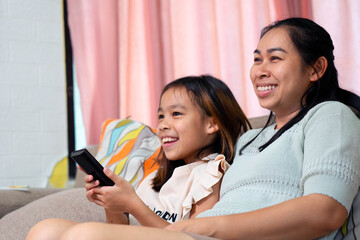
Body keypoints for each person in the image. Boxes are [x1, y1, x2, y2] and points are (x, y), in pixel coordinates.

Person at [31, 17, 360, 240]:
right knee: (45, 230)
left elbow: (326, 209)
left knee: (85, 236)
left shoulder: (330, 116)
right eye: (257, 59)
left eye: (275, 59)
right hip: (200, 234)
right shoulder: (247, 140)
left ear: (316, 68)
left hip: (215, 235)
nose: (260, 70)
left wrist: (211, 226)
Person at [26, 75, 251, 239]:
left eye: (176, 114)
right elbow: (119, 227)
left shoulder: (211, 172)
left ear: (212, 124)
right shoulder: (155, 173)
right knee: (44, 230)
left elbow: (195, 236)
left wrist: (134, 205)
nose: (163, 124)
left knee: (84, 235)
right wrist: (112, 203)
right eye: (161, 115)